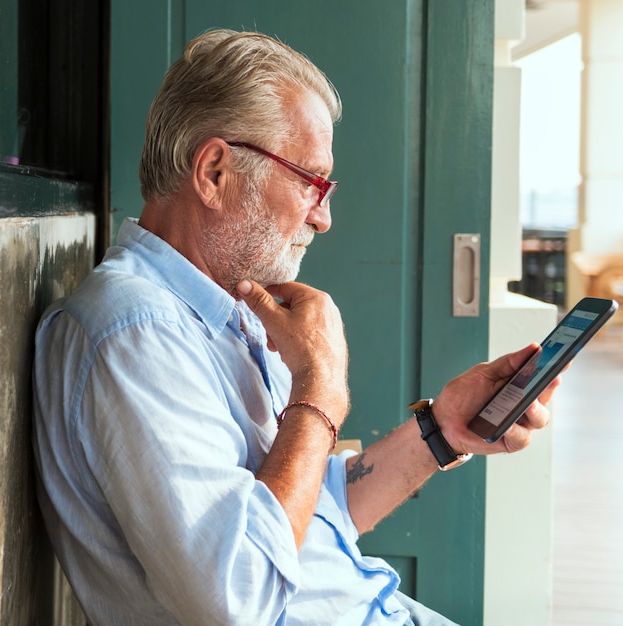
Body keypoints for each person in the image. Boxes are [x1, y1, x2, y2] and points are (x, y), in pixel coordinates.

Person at [32, 29, 556, 626]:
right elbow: (240, 596)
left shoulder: (221, 311)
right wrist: (318, 395)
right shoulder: (134, 335)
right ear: (214, 171)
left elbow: (303, 522)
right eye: (311, 181)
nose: (324, 217)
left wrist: (441, 432)